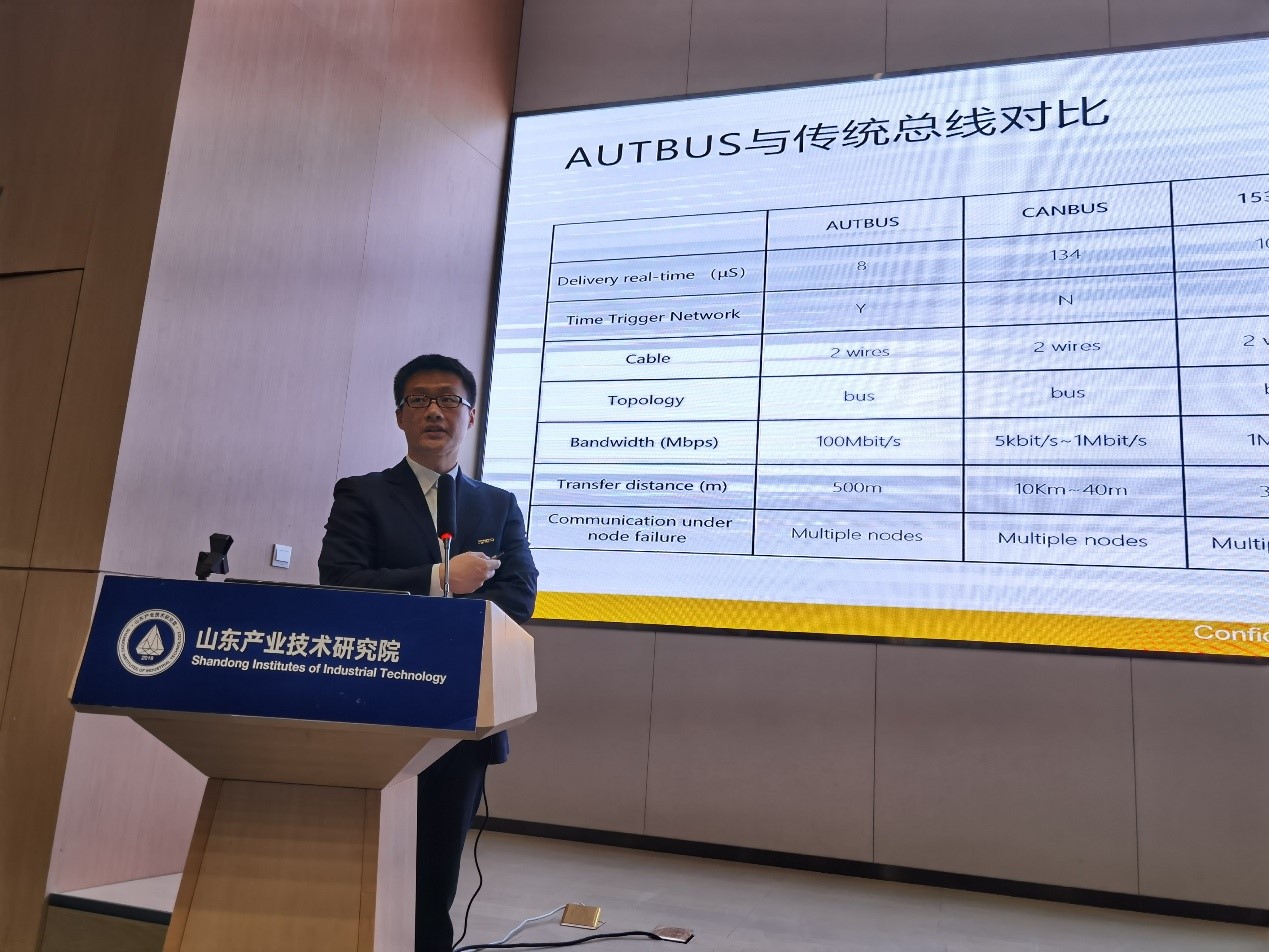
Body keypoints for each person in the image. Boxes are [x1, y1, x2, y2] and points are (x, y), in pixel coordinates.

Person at [318, 353, 537, 952]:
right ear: (400, 416)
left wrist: (441, 608)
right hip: (375, 703)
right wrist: (443, 579)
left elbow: (518, 595)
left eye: (448, 399)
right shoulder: (363, 494)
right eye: (419, 400)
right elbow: (341, 582)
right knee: (368, 857)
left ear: (471, 415)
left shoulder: (498, 504)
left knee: (437, 869)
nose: (434, 410)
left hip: (462, 709)